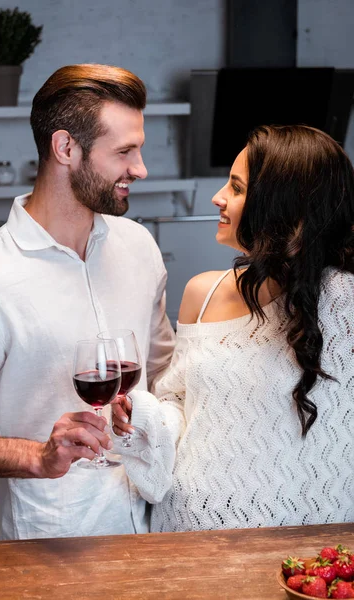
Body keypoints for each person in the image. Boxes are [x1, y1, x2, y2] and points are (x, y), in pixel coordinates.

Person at [0, 64, 175, 540]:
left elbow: (165, 376)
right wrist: (38, 456)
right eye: (125, 151)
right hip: (54, 541)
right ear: (66, 148)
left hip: (160, 527)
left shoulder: (139, 246)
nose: (140, 169)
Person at [112, 124, 354, 532]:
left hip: (315, 541)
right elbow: (177, 405)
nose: (218, 197)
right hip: (191, 530)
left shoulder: (344, 299)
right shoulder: (202, 292)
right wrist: (143, 417)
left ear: (282, 205)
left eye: (237, 188)